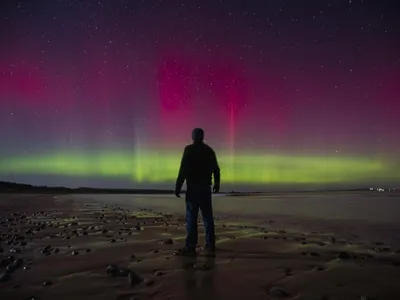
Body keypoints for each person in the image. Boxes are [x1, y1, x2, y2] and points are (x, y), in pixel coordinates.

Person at [174, 128, 221, 256]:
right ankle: (210, 244)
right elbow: (216, 169)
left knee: (191, 218)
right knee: (207, 217)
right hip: (205, 188)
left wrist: (178, 185)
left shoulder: (189, 150)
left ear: (193, 137)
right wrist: (217, 183)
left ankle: (191, 246)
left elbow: (183, 168)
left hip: (194, 188)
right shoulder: (209, 151)